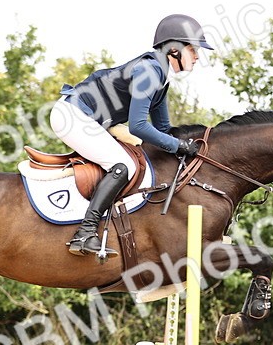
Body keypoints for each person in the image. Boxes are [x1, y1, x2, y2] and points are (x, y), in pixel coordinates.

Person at [52, 14, 212, 255]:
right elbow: (138, 126)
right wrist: (178, 146)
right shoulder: (149, 71)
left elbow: (163, 130)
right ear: (174, 50)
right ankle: (84, 233)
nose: (198, 56)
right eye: (192, 49)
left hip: (91, 119)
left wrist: (188, 144)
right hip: (73, 116)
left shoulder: (161, 77)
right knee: (122, 164)